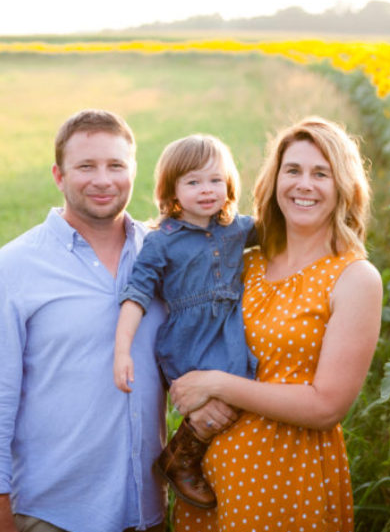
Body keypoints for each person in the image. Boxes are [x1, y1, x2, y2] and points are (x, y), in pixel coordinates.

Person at [0, 109, 234, 532]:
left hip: (146, 512)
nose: (103, 180)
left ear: (133, 171)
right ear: (58, 175)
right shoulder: (13, 269)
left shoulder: (166, 255)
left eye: (116, 166)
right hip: (52, 514)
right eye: (86, 166)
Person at [168, 116, 383, 532]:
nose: (305, 184)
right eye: (294, 170)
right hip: (207, 478)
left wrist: (216, 384)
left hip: (287, 477)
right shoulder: (242, 263)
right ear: (275, 180)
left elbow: (326, 407)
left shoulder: (354, 278)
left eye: (321, 173)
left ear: (343, 187)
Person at [113, 134, 257, 510]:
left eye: (215, 180)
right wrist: (122, 350)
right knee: (219, 402)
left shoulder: (237, 228)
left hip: (225, 334)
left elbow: (285, 228)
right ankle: (181, 458)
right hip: (190, 340)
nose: (206, 190)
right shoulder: (163, 242)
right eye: (193, 182)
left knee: (243, 393)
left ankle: (188, 458)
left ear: (228, 184)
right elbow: (136, 296)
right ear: (172, 190)